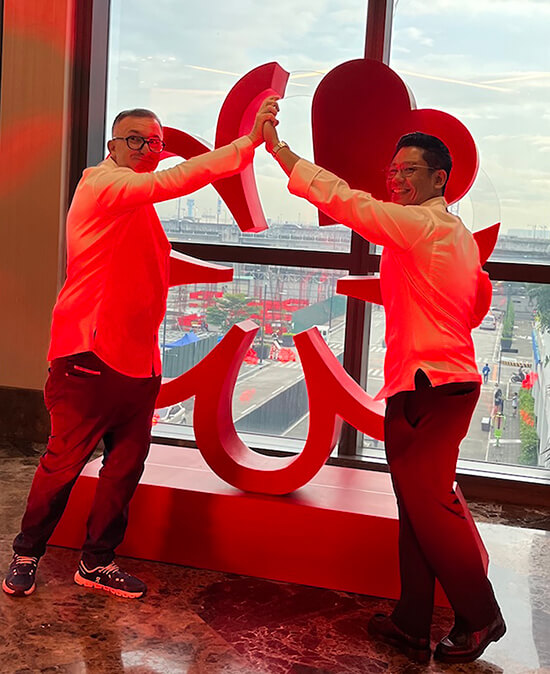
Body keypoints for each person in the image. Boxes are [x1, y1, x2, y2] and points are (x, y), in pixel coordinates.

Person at [3, 97, 279, 600]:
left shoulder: (135, 205)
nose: (147, 149)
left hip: (139, 362)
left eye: (155, 142)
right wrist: (248, 144)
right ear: (112, 145)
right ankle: (26, 553)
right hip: (88, 355)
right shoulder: (103, 184)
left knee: (124, 469)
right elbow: (176, 180)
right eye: (135, 140)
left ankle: (97, 562)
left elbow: (148, 268)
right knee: (62, 466)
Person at [263, 122, 505, 664]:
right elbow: (470, 308)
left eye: (408, 170)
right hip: (442, 381)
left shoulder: (421, 225)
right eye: (392, 170)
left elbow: (349, 203)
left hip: (427, 387)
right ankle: (411, 622)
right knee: (417, 508)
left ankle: (480, 615)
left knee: (432, 506)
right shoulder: (458, 236)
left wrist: (280, 151)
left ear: (439, 179)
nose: (396, 179)